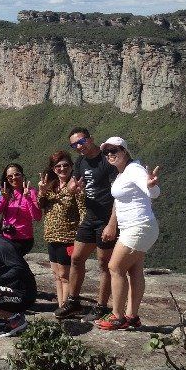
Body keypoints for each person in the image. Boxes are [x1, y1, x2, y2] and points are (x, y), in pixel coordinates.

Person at [94, 138, 161, 331]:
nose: (110, 154)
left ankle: (117, 316)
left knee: (115, 267)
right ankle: (132, 316)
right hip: (136, 227)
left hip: (138, 227)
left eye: (114, 150)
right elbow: (119, 201)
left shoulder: (134, 170)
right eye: (106, 152)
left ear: (124, 151)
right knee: (134, 270)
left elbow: (153, 191)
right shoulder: (122, 173)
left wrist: (152, 185)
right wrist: (112, 224)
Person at [58, 127, 118, 319]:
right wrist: (72, 187)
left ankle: (101, 307)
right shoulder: (81, 161)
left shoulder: (107, 161)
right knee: (76, 259)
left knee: (104, 264)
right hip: (90, 217)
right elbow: (72, 183)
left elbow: (118, 195)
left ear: (91, 139)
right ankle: (73, 302)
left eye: (82, 141)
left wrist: (112, 224)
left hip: (106, 219)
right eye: (74, 145)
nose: (79, 147)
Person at [38, 151, 87, 314]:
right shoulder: (51, 186)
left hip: (68, 237)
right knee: (57, 275)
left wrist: (81, 234)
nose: (62, 168)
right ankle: (61, 306)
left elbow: (83, 211)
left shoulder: (75, 185)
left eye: (66, 165)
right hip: (51, 236)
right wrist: (41, 192)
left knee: (65, 275)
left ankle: (67, 307)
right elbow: (41, 206)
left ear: (71, 167)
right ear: (53, 169)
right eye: (58, 166)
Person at [0, 162, 41, 256]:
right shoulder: (7, 192)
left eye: (17, 174)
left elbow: (37, 217)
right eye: (10, 176)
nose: (14, 178)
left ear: (23, 176)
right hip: (6, 236)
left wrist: (28, 198)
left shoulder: (31, 192)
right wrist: (4, 198)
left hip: (23, 239)